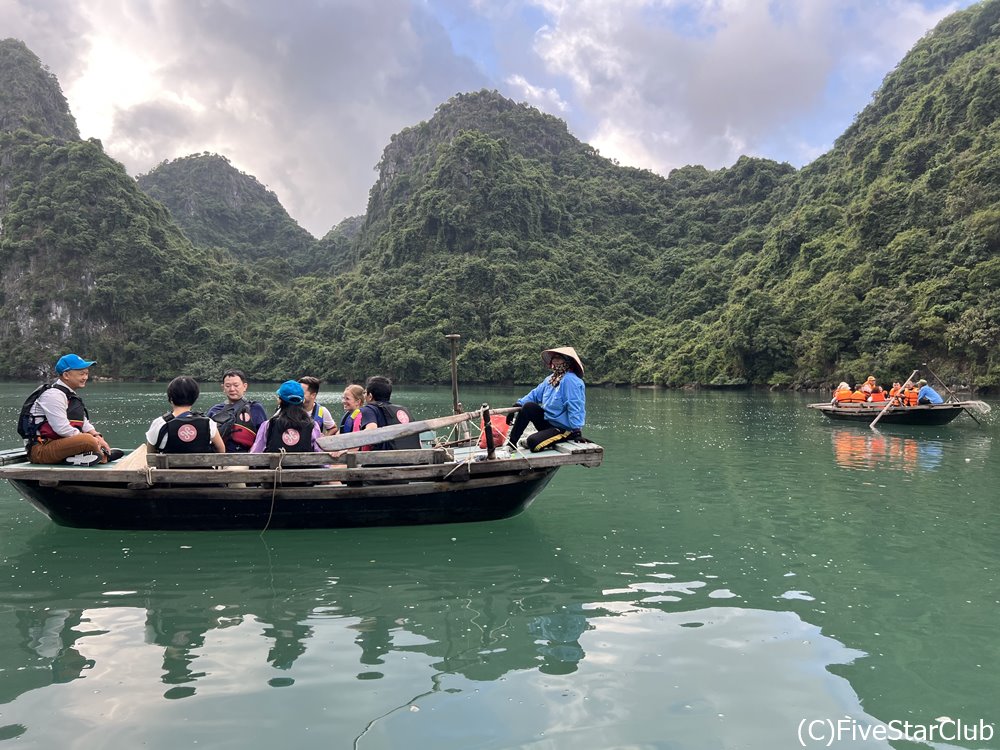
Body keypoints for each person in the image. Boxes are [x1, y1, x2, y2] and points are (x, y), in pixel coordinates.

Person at [20, 353, 124, 466]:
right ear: (66, 375)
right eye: (81, 374)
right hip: (41, 450)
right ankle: (100, 456)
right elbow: (62, 428)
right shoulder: (53, 395)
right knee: (87, 441)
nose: (85, 377)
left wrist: (98, 436)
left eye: (86, 373)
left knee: (90, 439)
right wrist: (92, 441)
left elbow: (83, 422)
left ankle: (83, 457)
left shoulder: (70, 395)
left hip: (60, 445)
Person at [506, 346, 586, 452]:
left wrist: (576, 431)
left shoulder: (571, 380)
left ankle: (539, 440)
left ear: (568, 362)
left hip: (564, 429)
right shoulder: (550, 379)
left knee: (533, 442)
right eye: (554, 358)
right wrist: (517, 406)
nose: (555, 361)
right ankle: (512, 443)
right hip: (548, 423)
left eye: (559, 358)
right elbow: (534, 395)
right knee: (528, 406)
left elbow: (575, 405)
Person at [145, 376, 226, 454]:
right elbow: (221, 450)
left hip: (168, 468)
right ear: (195, 397)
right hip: (202, 468)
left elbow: (150, 453)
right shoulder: (208, 423)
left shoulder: (159, 423)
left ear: (170, 398)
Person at [250, 380, 323, 453]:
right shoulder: (313, 426)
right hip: (305, 464)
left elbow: (255, 453)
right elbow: (320, 455)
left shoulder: (268, 425)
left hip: (275, 464)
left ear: (279, 401)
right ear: (303, 401)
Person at [206, 369, 267, 453]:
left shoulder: (255, 408)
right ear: (223, 387)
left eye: (236, 385)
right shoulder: (215, 410)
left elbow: (263, 438)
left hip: (244, 458)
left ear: (245, 386)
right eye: (227, 386)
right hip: (216, 458)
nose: (232, 389)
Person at [358, 375, 420, 451]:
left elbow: (371, 430)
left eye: (365, 393)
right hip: (412, 459)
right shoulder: (404, 410)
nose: (364, 396)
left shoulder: (369, 409)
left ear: (370, 396)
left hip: (385, 461)